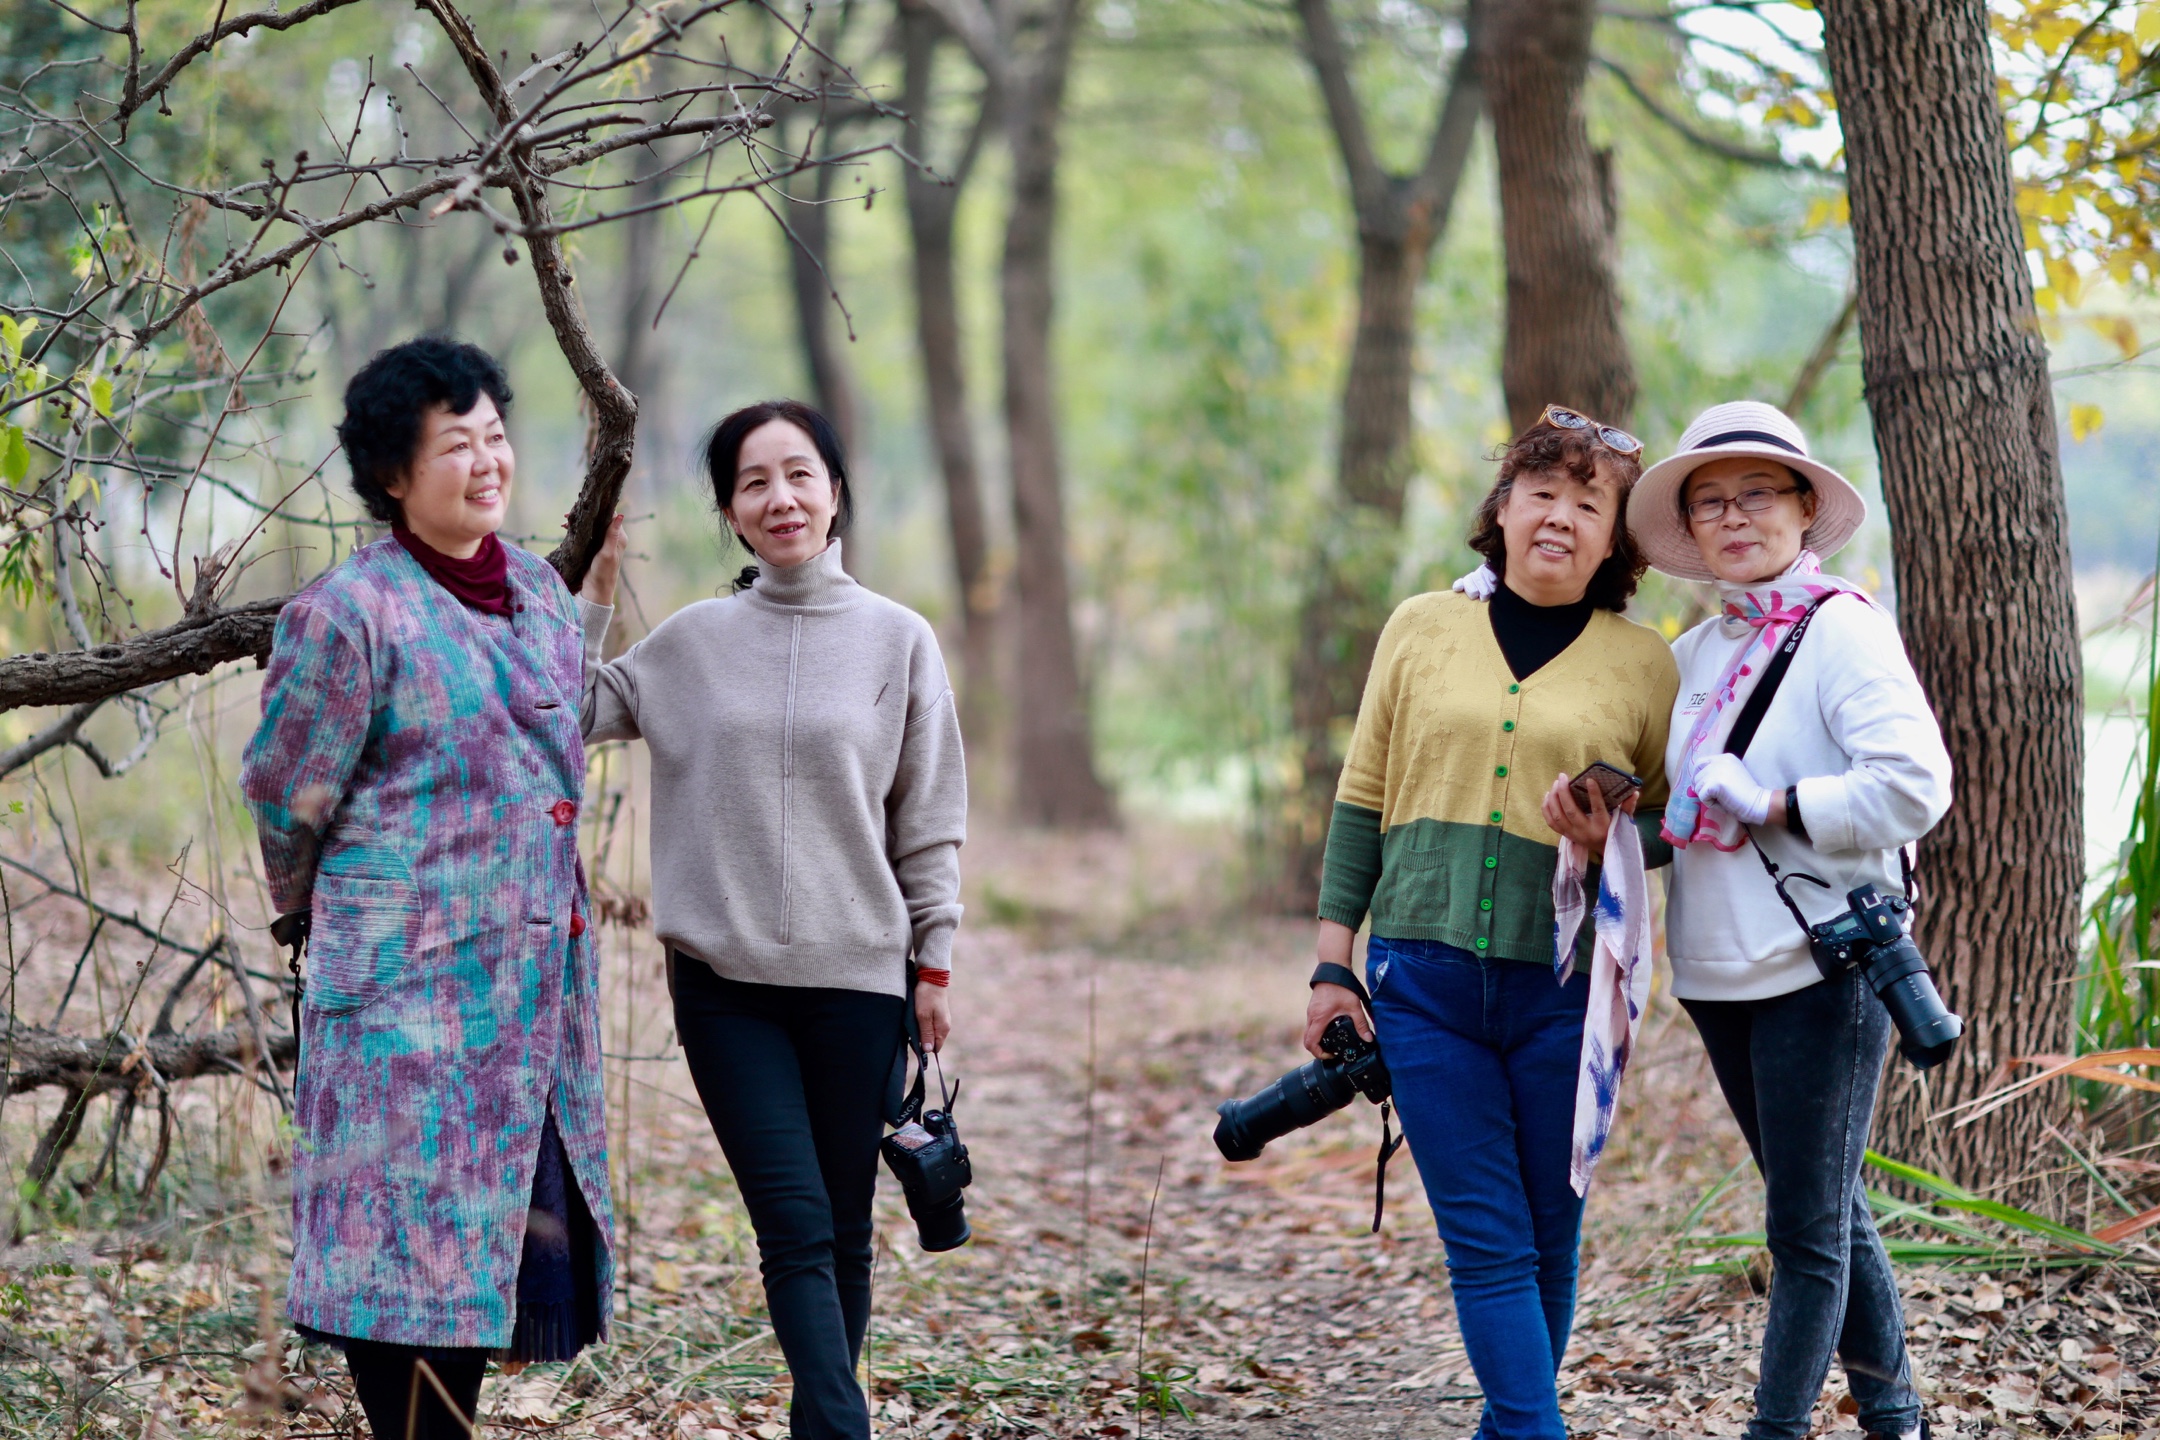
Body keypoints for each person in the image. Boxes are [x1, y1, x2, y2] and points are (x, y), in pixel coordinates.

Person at [240, 338, 613, 1440]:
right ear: (394, 475)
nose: (487, 461)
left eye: (495, 436)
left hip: (529, 999)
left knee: (482, 1263)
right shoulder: (348, 612)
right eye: (457, 444)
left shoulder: (542, 593)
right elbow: (283, 791)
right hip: (402, 1010)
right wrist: (320, 914)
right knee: (395, 1265)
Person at [575, 399, 966, 1440]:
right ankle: (846, 1430)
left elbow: (928, 822)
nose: (780, 497)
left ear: (835, 492)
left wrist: (934, 965)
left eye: (800, 474)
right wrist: (596, 586)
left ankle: (820, 1423)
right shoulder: (691, 645)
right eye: (755, 482)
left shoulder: (899, 641)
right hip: (725, 985)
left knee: (842, 1230)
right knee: (792, 1222)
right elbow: (556, 711)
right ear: (731, 514)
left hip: (858, 982)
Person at [1306, 407, 1680, 1440]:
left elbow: (1668, 831)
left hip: (1566, 989)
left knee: (1550, 1235)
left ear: (1614, 541)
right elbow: (1363, 794)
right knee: (1485, 1239)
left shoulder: (1646, 664)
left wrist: (1609, 841)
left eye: (1588, 502)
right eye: (1541, 492)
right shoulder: (1421, 627)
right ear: (1503, 509)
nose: (1560, 516)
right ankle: (1533, 1428)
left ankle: (1510, 1427)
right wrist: (1332, 966)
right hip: (1424, 984)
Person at [1632, 400, 1951, 1440]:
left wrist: (1775, 805)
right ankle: (1895, 1414)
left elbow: (1914, 786)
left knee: (1804, 1228)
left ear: (1805, 507)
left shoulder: (1843, 630)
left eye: (1757, 494)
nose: (1734, 517)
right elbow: (1668, 817)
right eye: (1710, 502)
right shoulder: (1687, 661)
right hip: (1721, 978)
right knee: (1826, 1207)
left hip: (1826, 967)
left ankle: (1774, 1427)